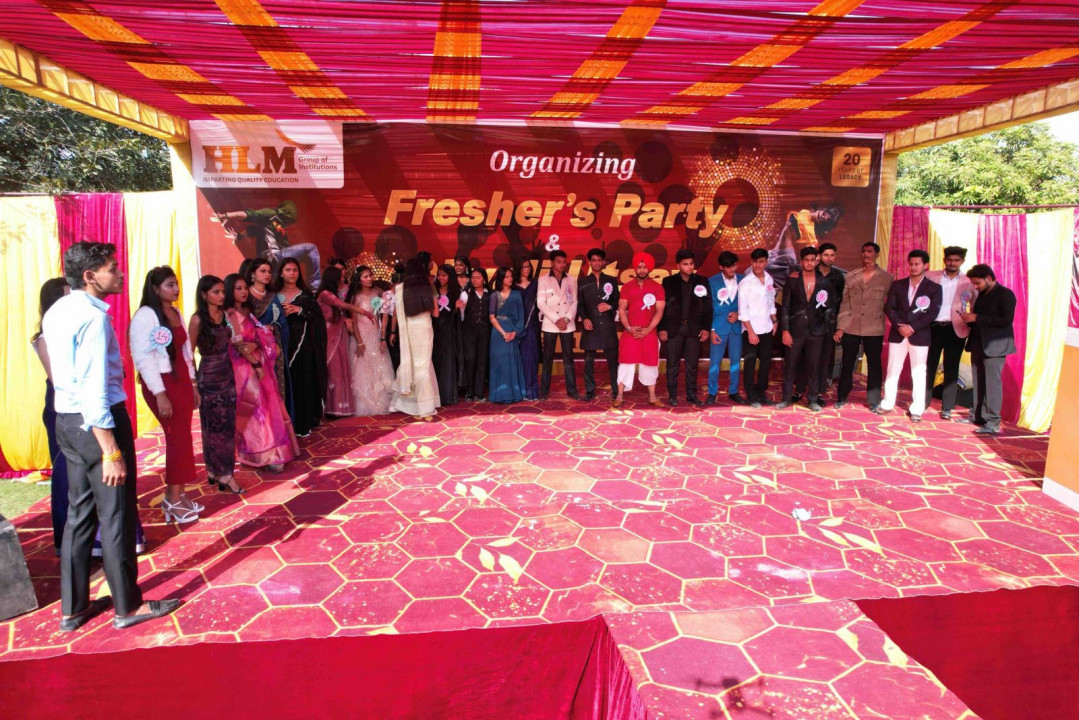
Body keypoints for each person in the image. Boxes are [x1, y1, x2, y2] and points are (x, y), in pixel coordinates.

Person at [43, 241, 179, 632]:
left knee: (80, 513)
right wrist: (111, 450)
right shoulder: (92, 318)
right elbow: (93, 387)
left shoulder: (59, 309)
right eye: (112, 268)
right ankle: (128, 606)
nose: (120, 273)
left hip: (68, 421)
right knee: (116, 513)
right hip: (98, 424)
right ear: (90, 276)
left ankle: (74, 608)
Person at [129, 266, 202, 523]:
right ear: (155, 288)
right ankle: (171, 499)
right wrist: (160, 394)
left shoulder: (175, 311)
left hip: (181, 381)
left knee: (183, 438)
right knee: (176, 439)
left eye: (177, 284)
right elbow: (143, 358)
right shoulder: (145, 316)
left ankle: (180, 494)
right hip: (162, 384)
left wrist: (193, 383)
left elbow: (185, 352)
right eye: (170, 285)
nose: (176, 289)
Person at [225, 274, 298, 471]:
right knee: (254, 407)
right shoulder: (230, 313)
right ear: (230, 290)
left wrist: (257, 344)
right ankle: (261, 453)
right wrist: (255, 363)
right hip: (242, 367)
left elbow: (259, 335)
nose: (243, 292)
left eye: (245, 288)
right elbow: (237, 343)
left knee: (268, 405)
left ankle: (274, 451)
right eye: (238, 288)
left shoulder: (247, 311)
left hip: (258, 362)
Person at [190, 275, 242, 494]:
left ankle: (217, 471)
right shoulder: (197, 320)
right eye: (216, 292)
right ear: (204, 294)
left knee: (228, 427)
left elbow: (237, 340)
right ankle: (222, 473)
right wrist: (193, 384)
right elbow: (188, 353)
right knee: (212, 428)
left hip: (227, 375)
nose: (221, 296)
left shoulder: (226, 315)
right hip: (209, 379)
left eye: (223, 292)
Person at [878, 250, 942, 422]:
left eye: (917, 264)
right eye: (911, 264)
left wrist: (912, 327)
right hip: (898, 333)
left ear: (925, 265)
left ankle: (917, 409)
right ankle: (887, 403)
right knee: (893, 369)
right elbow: (890, 308)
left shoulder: (934, 288)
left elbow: (932, 313)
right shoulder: (898, 285)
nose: (913, 267)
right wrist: (901, 326)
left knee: (919, 372)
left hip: (919, 335)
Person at [32, 278, 72, 553]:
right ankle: (65, 539)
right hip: (61, 407)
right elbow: (58, 379)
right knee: (64, 474)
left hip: (77, 403)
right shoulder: (45, 338)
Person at [958, 264, 1017, 435]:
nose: (975, 286)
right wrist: (969, 319)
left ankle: (993, 422)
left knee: (992, 385)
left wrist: (976, 317)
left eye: (978, 283)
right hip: (978, 343)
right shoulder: (982, 295)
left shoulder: (1005, 294)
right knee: (978, 382)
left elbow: (1006, 320)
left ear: (989, 278)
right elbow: (979, 319)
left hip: (995, 346)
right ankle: (977, 416)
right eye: (973, 283)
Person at [834, 242, 893, 411]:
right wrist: (841, 327)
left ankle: (874, 400)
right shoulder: (851, 276)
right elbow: (845, 304)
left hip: (874, 328)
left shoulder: (887, 278)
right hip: (851, 326)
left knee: (874, 364)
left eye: (870, 251)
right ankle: (842, 397)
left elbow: (891, 303)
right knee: (847, 363)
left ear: (877, 254)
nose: (866, 254)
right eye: (864, 251)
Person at [274, 258, 328, 437]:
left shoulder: (305, 296)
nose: (292, 273)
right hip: (279, 346)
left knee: (302, 381)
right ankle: (283, 423)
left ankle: (303, 422)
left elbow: (318, 320)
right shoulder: (272, 296)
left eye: (295, 270)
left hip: (303, 347)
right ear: (281, 273)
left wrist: (299, 310)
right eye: (288, 270)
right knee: (281, 382)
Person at [216, 200, 322, 287]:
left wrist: (238, 236)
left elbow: (253, 230)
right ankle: (315, 286)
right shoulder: (271, 214)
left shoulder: (276, 224)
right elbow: (250, 214)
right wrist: (227, 215)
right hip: (273, 255)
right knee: (311, 249)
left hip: (275, 263)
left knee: (276, 291)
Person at [777, 247, 831, 412]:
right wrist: (785, 330)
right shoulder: (792, 280)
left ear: (816, 261)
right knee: (790, 365)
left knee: (814, 366)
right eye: (806, 260)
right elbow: (785, 307)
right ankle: (786, 399)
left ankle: (813, 399)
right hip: (795, 330)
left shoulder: (823, 282)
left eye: (812, 260)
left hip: (816, 331)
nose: (809, 263)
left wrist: (825, 325)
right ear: (801, 261)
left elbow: (829, 307)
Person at [317, 266, 373, 417]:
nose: (342, 281)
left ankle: (341, 407)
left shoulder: (332, 294)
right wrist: (365, 313)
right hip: (330, 335)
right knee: (333, 370)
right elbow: (344, 306)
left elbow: (339, 312)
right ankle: (331, 408)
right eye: (340, 278)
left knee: (341, 369)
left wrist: (344, 319)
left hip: (340, 334)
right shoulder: (325, 294)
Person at [659, 248, 712, 406]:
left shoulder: (702, 281)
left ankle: (691, 395)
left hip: (694, 329)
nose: (689, 267)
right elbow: (661, 307)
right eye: (685, 264)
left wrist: (706, 328)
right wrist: (661, 328)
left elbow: (708, 307)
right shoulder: (668, 282)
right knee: (672, 364)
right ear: (678, 265)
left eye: (691, 264)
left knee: (692, 365)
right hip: (673, 329)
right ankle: (672, 396)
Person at [390, 256, 441, 419]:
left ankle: (409, 404)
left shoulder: (400, 288)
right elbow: (436, 313)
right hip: (424, 326)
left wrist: (393, 332)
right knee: (423, 365)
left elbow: (397, 314)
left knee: (411, 363)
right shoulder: (429, 286)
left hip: (409, 328)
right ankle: (425, 406)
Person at [926, 246, 973, 419]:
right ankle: (922, 402)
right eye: (950, 260)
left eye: (956, 260)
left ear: (962, 261)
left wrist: (970, 320)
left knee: (951, 368)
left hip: (956, 329)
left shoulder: (969, 281)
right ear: (944, 260)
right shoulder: (931, 276)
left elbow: (975, 304)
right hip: (932, 327)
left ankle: (947, 407)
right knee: (928, 366)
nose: (952, 263)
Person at [614, 253, 665, 408]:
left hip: (649, 333)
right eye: (639, 267)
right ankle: (619, 395)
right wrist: (629, 328)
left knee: (650, 364)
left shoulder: (657, 287)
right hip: (630, 332)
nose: (642, 270)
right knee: (625, 363)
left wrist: (648, 329)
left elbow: (659, 311)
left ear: (650, 268)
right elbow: (622, 309)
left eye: (645, 267)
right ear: (635, 268)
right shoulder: (627, 287)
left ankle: (652, 396)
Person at [242, 257, 292, 416]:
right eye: (263, 271)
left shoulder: (272, 296)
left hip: (271, 349)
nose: (267, 275)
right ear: (253, 274)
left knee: (273, 386)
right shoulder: (244, 295)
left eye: (269, 272)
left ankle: (275, 423)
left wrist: (272, 329)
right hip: (250, 348)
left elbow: (282, 324)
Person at [796, 242, 845, 403]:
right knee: (803, 357)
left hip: (827, 324)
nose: (829, 258)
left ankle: (818, 393)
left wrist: (838, 325)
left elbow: (841, 301)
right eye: (825, 255)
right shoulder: (809, 272)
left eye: (832, 255)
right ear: (818, 257)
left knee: (823, 358)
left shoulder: (838, 276)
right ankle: (799, 390)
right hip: (808, 322)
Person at [347, 266, 395, 416]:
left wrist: (382, 335)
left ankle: (381, 402)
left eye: (370, 275)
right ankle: (365, 404)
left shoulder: (378, 292)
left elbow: (384, 314)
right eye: (365, 276)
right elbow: (354, 322)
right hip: (361, 335)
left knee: (379, 366)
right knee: (363, 368)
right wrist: (359, 342)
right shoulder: (355, 297)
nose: (369, 279)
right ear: (358, 280)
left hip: (376, 333)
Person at [767, 205, 843, 292]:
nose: (822, 217)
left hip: (786, 257)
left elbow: (810, 250)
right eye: (824, 214)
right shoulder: (805, 213)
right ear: (820, 210)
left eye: (824, 220)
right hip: (776, 253)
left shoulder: (811, 234)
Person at [577, 247, 620, 401]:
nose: (596, 263)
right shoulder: (583, 281)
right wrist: (584, 318)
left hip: (607, 325)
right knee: (589, 361)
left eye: (599, 260)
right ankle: (590, 391)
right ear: (590, 262)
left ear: (603, 262)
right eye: (593, 260)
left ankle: (616, 390)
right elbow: (580, 304)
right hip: (591, 325)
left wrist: (610, 306)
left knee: (613, 361)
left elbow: (618, 300)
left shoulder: (611, 280)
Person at [537, 249, 579, 399]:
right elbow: (541, 303)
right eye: (559, 262)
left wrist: (566, 319)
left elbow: (574, 301)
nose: (562, 265)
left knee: (568, 358)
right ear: (552, 263)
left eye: (564, 262)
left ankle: (572, 391)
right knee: (548, 358)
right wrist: (556, 319)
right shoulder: (543, 279)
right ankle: (544, 391)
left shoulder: (571, 279)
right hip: (550, 324)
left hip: (567, 324)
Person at [738, 248, 778, 408]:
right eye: (755, 262)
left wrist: (774, 321)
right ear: (751, 262)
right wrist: (751, 332)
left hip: (767, 328)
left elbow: (771, 302)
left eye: (761, 262)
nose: (758, 265)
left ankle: (761, 392)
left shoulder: (769, 279)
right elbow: (742, 311)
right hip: (750, 330)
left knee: (765, 363)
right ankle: (751, 395)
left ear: (766, 262)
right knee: (750, 363)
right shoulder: (745, 283)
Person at [706, 251, 744, 405]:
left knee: (736, 361)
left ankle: (734, 391)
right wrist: (711, 330)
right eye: (728, 267)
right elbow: (708, 308)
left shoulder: (743, 280)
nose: (732, 269)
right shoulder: (712, 282)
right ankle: (712, 392)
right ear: (721, 267)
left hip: (737, 328)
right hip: (718, 328)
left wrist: (739, 315)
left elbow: (749, 304)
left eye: (733, 266)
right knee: (715, 362)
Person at [488, 267, 527, 403]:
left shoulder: (517, 294)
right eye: (506, 277)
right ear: (501, 279)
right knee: (499, 362)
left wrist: (515, 333)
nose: (510, 279)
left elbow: (521, 316)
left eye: (511, 276)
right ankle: (499, 395)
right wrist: (503, 333)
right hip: (498, 332)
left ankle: (514, 393)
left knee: (512, 362)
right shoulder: (494, 295)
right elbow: (492, 317)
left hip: (513, 330)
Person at [432, 264, 461, 405]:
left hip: (449, 329)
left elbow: (456, 315)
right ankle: (435, 395)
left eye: (444, 275)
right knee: (435, 359)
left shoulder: (455, 291)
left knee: (448, 360)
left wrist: (457, 308)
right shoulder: (434, 290)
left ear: (450, 276)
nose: (441, 278)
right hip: (435, 328)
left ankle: (448, 395)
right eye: (439, 275)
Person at [459, 267, 491, 401]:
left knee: (482, 361)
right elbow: (461, 316)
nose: (475, 280)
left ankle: (479, 392)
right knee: (470, 359)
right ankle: (469, 391)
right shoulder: (465, 294)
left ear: (484, 279)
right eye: (473, 277)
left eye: (478, 277)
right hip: (469, 331)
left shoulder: (490, 294)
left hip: (484, 331)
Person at [515, 257, 541, 400]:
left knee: (531, 357)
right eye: (523, 267)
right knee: (517, 359)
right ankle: (519, 390)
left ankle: (531, 391)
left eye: (528, 267)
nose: (526, 269)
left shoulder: (536, 284)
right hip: (516, 326)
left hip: (532, 326)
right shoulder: (512, 285)